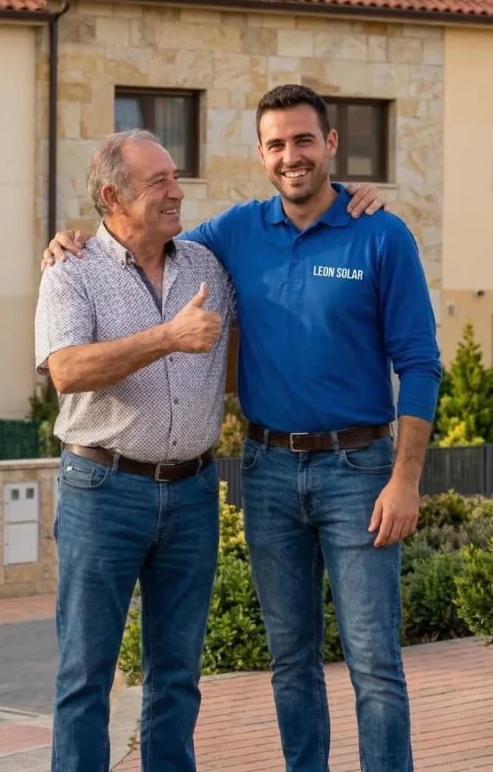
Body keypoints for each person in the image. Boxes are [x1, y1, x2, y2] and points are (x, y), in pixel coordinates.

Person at [44, 85, 434, 772]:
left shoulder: (376, 235)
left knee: (374, 663)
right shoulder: (222, 239)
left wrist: (406, 479)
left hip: (355, 473)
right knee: (286, 662)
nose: (291, 156)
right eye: (276, 144)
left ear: (331, 144)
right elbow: (124, 266)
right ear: (260, 153)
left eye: (304, 140)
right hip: (252, 473)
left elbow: (421, 364)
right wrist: (69, 240)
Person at [36, 129, 237, 772]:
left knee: (177, 676)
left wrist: (351, 194)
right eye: (158, 182)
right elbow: (66, 370)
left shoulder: (208, 265)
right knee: (85, 676)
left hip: (194, 492)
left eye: (175, 176)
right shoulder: (72, 270)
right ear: (111, 197)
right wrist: (168, 337)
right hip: (103, 490)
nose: (177, 190)